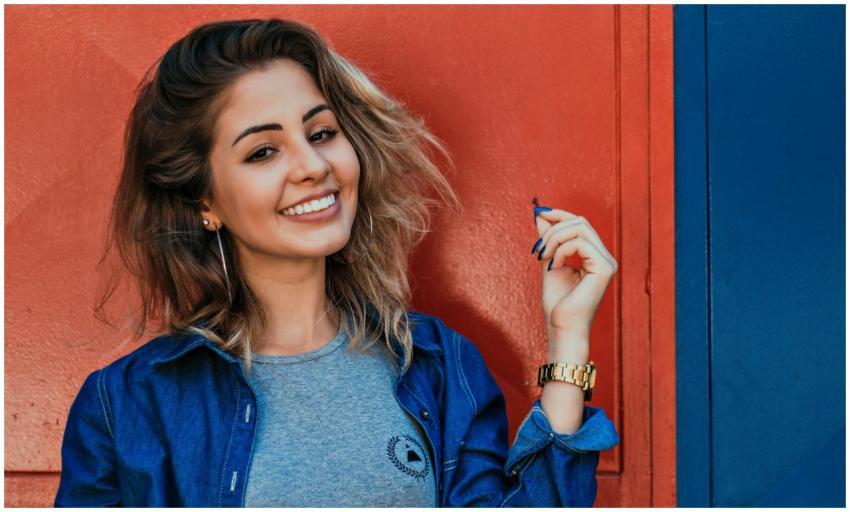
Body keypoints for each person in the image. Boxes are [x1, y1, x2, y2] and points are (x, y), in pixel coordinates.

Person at [54, 17, 620, 507]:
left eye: (322, 132)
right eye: (263, 151)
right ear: (204, 203)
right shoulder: (126, 405)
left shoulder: (440, 367)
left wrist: (567, 342)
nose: (312, 165)